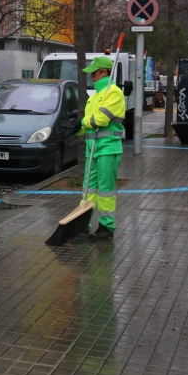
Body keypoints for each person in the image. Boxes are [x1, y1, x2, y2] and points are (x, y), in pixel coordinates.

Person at [73, 56, 125, 241]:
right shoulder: (94, 96)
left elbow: (101, 119)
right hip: (92, 149)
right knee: (88, 190)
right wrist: (76, 127)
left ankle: (106, 227)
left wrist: (82, 122)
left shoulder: (114, 93)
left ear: (104, 71)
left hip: (108, 149)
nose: (91, 77)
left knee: (105, 190)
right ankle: (82, 224)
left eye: (93, 73)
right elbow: (90, 123)